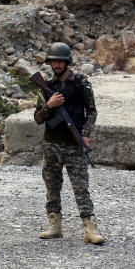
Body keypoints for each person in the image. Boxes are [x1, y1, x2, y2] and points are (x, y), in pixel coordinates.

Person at [34, 42, 105, 244]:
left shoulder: (82, 83)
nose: (56, 65)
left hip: (74, 144)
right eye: (53, 61)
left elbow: (92, 111)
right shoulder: (45, 87)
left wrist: (86, 134)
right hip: (51, 144)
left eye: (60, 61)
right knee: (52, 185)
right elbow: (38, 118)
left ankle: (90, 228)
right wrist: (49, 105)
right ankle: (55, 225)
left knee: (81, 187)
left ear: (67, 62)